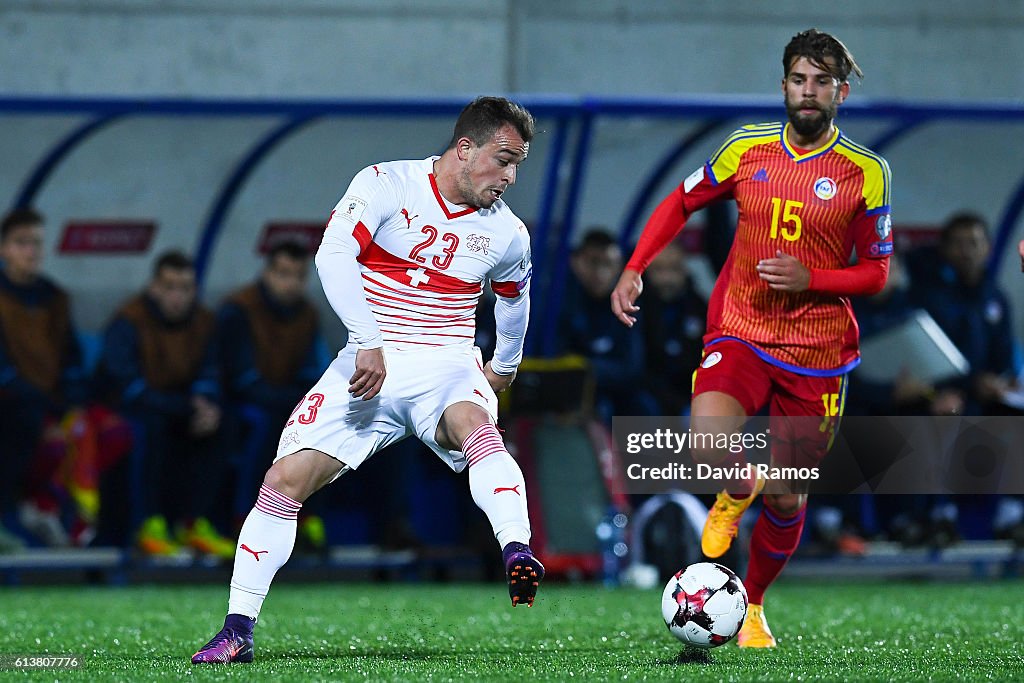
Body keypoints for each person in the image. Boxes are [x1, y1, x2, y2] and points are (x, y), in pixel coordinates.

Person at [192, 96, 542, 664]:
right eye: (503, 159)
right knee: (283, 480)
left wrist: (504, 364)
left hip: (448, 362)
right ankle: (237, 630)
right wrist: (368, 339)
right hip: (367, 363)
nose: (509, 176)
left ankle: (518, 551)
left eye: (518, 164)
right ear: (464, 148)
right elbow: (332, 255)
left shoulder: (508, 234)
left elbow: (514, 299)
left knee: (475, 427)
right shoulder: (387, 183)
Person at [611, 29, 892, 647]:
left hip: (817, 351)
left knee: (789, 499)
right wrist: (634, 266)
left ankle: (755, 607)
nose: (808, 92)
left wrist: (811, 277)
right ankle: (738, 487)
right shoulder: (746, 149)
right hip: (739, 328)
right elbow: (681, 202)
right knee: (710, 445)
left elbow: (876, 272)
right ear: (784, 86)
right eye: (799, 79)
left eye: (821, 82)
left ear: (840, 93)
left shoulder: (866, 172)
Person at [97, 250, 233, 558]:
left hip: (180, 406)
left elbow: (211, 371)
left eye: (185, 288)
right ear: (154, 287)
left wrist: (206, 404)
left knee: (222, 424)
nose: (177, 296)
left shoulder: (204, 322)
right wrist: (186, 408)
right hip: (135, 408)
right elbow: (126, 386)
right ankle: (149, 525)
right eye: (169, 287)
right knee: (149, 428)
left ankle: (194, 524)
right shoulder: (128, 320)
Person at [214, 240, 328, 546]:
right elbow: (241, 378)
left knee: (320, 427)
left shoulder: (308, 314)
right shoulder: (238, 309)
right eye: (283, 274)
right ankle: (244, 520)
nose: (290, 283)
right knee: (266, 426)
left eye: (298, 276)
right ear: (267, 273)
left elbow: (311, 373)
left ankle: (304, 518)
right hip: (239, 404)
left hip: (283, 402)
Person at [0, 208, 89, 549]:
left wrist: (70, 400)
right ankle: (12, 514)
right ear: (4, 250)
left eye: (36, 243)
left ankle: (69, 519)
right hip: (12, 402)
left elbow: (72, 358)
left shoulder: (55, 297)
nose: (31, 251)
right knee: (22, 420)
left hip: (48, 402)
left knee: (102, 429)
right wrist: (43, 404)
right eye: (21, 243)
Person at [909, 212, 1018, 415]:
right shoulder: (926, 296)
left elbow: (1005, 353)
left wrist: (1003, 379)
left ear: (988, 248)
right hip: (940, 396)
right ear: (944, 248)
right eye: (958, 244)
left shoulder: (996, 297)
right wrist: (972, 383)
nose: (966, 252)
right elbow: (924, 358)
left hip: (991, 396)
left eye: (974, 243)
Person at [559, 229, 659, 423]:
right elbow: (556, 359)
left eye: (609, 264)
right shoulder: (559, 301)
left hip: (619, 392)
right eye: (593, 262)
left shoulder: (629, 302)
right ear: (576, 262)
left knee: (645, 406)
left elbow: (632, 367)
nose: (601, 272)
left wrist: (587, 367)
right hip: (573, 395)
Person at [639, 239, 707, 415]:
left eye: (674, 269)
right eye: (659, 270)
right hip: (648, 395)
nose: (666, 278)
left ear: (684, 269)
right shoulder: (634, 309)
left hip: (691, 395)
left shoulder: (701, 307)